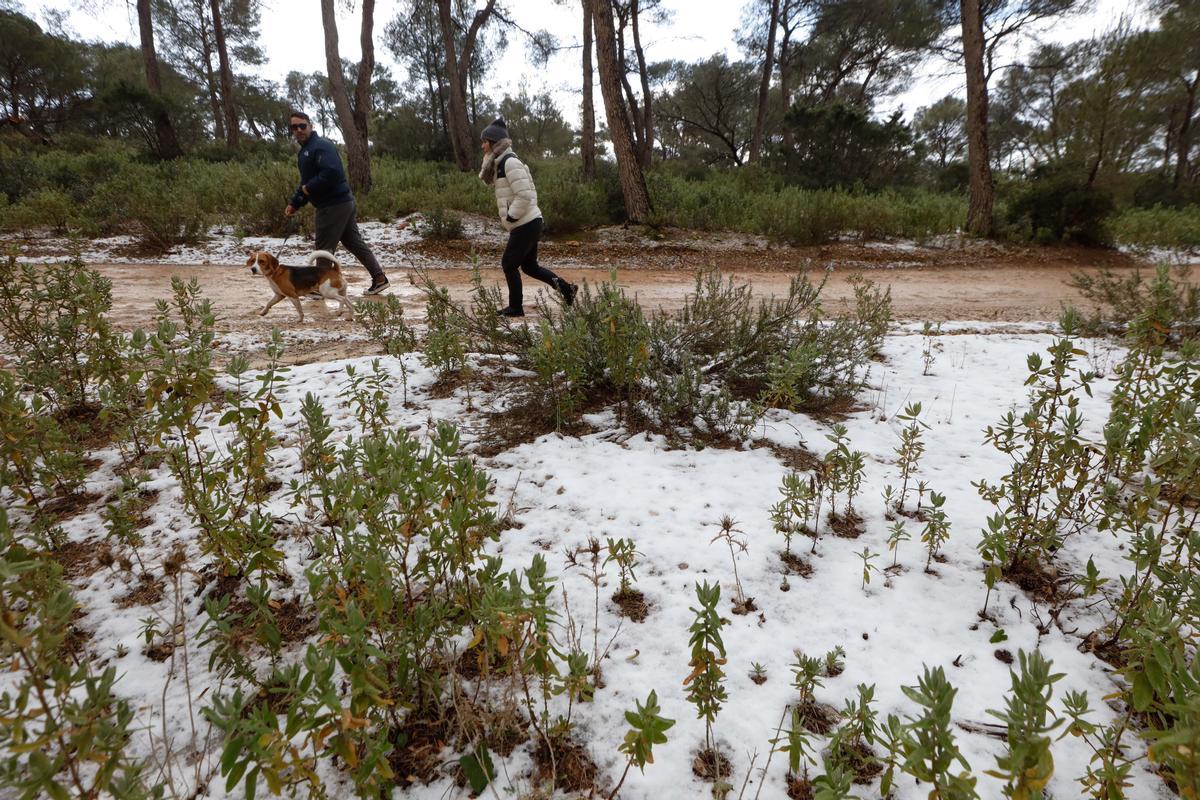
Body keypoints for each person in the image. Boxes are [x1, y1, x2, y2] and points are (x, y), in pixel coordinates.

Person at [478, 117, 577, 317]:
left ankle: (515, 307)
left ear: (494, 142)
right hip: (528, 222)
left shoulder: (510, 162)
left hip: (526, 223)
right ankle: (567, 289)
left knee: (508, 264)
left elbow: (525, 194)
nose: (482, 146)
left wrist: (511, 216)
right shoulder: (500, 162)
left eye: (485, 142)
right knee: (530, 267)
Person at [284, 111, 389, 296]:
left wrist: (308, 188)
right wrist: (295, 203)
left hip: (332, 205)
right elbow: (305, 183)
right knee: (354, 243)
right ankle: (379, 278)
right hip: (343, 203)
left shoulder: (320, 146)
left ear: (310, 126)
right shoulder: (306, 151)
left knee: (323, 247)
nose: (298, 130)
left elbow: (332, 172)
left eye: (302, 125)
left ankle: (319, 288)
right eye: (294, 127)